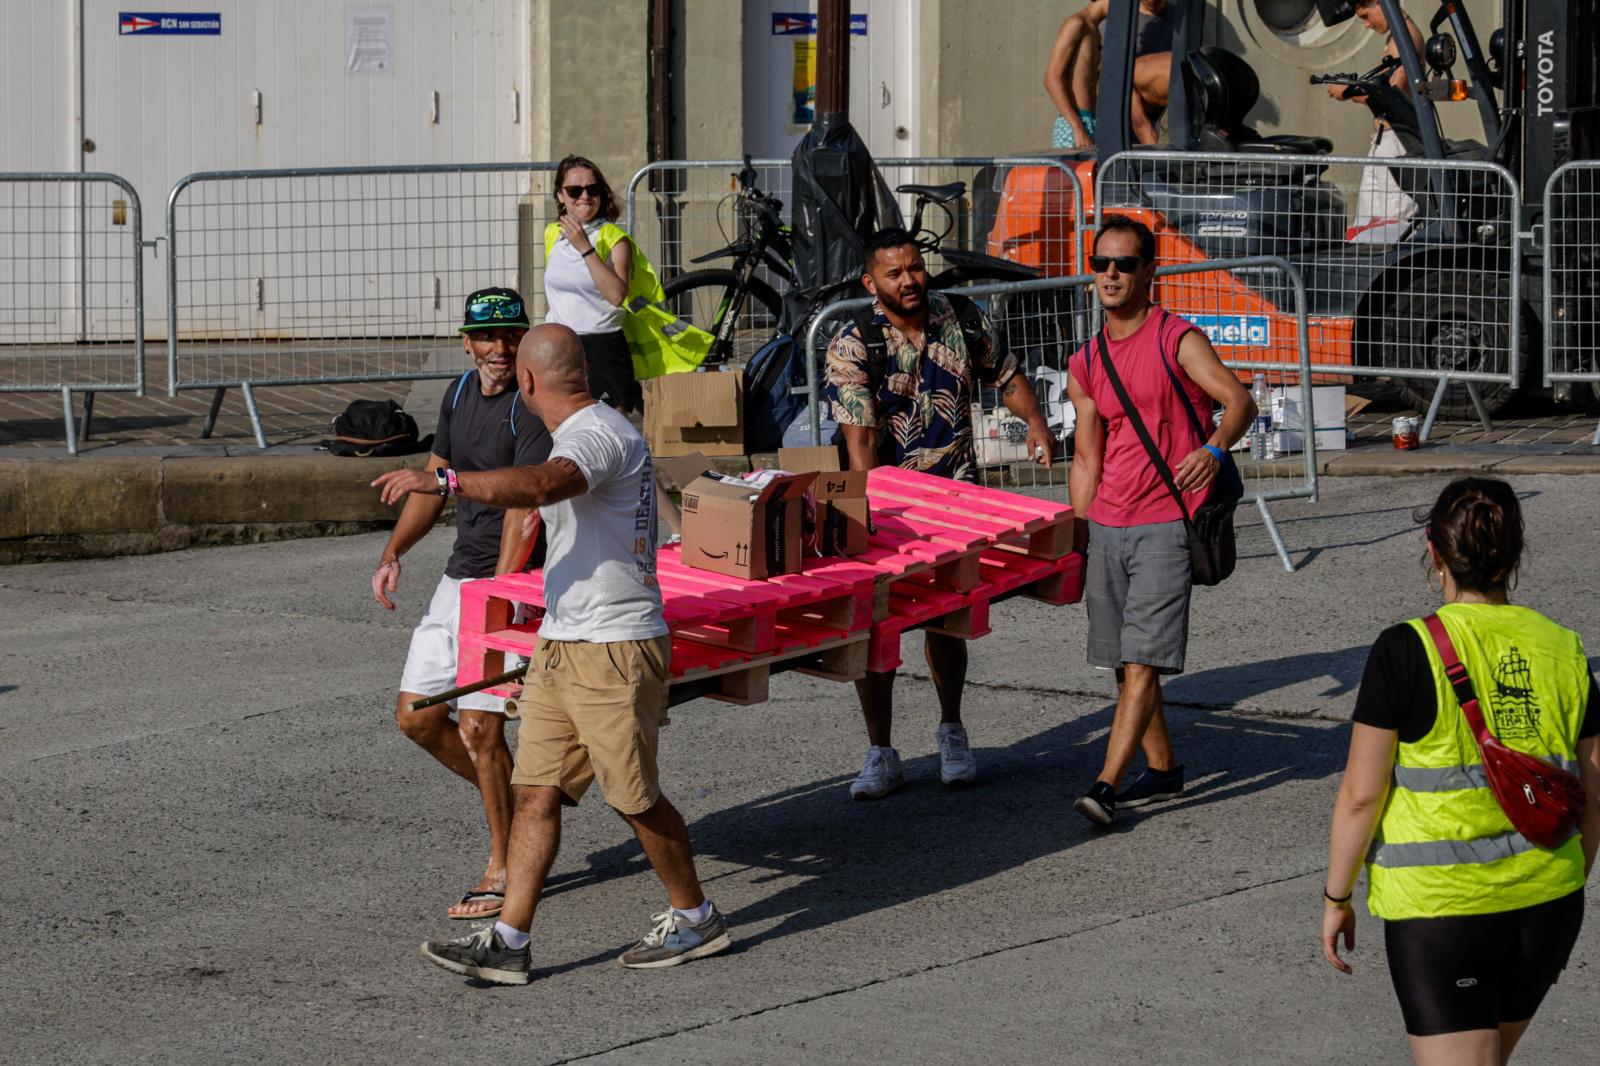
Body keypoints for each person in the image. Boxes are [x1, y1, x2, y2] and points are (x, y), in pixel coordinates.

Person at [373, 323, 728, 985]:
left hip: (615, 647)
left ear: (530, 383)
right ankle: (510, 939)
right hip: (566, 641)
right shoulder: (584, 429)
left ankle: (696, 914)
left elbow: (542, 486)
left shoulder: (595, 435)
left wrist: (450, 483)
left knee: (634, 796)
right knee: (533, 791)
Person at [1321, 478, 1600, 1065]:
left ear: (1433, 550)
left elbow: (1360, 797)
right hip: (1548, 903)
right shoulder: (1565, 649)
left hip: (1442, 913)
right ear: (1515, 555)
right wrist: (1567, 881)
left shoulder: (1405, 649)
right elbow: (1593, 795)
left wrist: (1337, 896)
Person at [825, 227, 1053, 800]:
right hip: (889, 507)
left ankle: (952, 730)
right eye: (895, 273)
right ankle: (881, 751)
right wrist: (864, 517)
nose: (909, 281)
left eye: (915, 268)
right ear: (870, 282)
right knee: (877, 628)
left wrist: (1036, 423)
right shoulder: (854, 344)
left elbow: (1005, 374)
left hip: (957, 498)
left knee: (947, 619)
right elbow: (859, 444)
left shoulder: (962, 318)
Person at [1064, 216, 1253, 827]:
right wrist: (1077, 530)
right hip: (1109, 522)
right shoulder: (1087, 360)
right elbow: (1087, 456)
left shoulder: (1178, 339)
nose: (1111, 274)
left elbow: (1238, 400)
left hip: (1169, 521)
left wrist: (1215, 448)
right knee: (1122, 661)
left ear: (1151, 273)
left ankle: (1105, 784)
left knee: (1144, 659)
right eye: (1101, 264)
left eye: (1124, 264)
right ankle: (1165, 770)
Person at [373, 287, 550, 921]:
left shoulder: (530, 410)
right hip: (462, 576)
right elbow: (435, 479)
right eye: (488, 337)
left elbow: (525, 508)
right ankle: (531, 802)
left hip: (516, 581)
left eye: (511, 336)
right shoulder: (456, 395)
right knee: (417, 717)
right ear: (467, 341)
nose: (500, 349)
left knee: (479, 727)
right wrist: (395, 551)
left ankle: (504, 862)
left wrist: (498, 600)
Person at [542, 154, 709, 414]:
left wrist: (585, 248)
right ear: (560, 196)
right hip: (561, 346)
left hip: (601, 346)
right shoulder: (552, 233)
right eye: (575, 190)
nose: (584, 196)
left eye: (592, 189)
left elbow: (617, 295)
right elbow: (556, 290)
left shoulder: (614, 238)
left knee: (609, 428)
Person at [1328, 0, 1425, 242]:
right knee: (1369, 222)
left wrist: (1348, 90)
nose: (1366, 24)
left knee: (1391, 224)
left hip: (1398, 141)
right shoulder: (1398, 37)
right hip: (1386, 139)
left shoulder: (1405, 38)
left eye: (1365, 15)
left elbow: (1392, 89)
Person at [1043, 0, 1173, 150]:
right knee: (1073, 173)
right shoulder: (1075, 23)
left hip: (1091, 121)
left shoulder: (1096, 30)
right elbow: (1051, 79)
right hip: (1075, 124)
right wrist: (1076, 126)